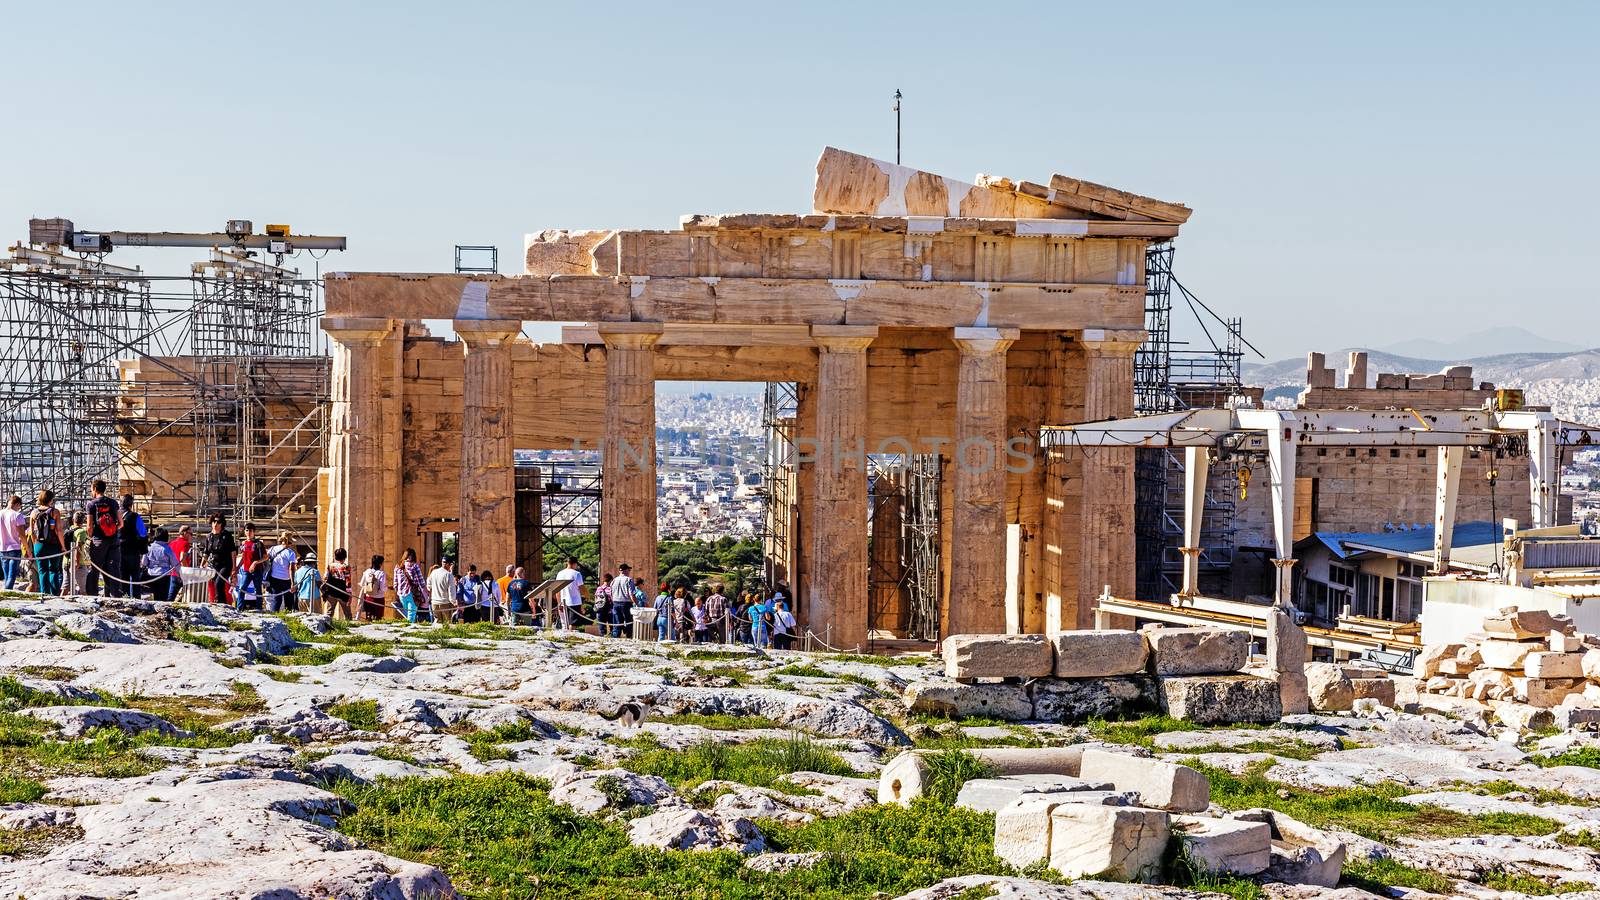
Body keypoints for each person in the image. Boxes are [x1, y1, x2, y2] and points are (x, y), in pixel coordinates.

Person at [84, 480, 122, 597]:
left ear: (95, 488)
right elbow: (121, 523)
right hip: (113, 539)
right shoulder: (113, 503)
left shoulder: (91, 504)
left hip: (98, 540)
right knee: (113, 568)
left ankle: (92, 594)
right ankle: (115, 594)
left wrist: (89, 537)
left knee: (95, 568)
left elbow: (90, 526)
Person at [25, 490, 65, 597]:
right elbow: (59, 530)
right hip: (53, 544)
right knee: (54, 570)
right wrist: (63, 546)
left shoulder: (33, 512)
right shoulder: (55, 512)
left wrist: (35, 545)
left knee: (42, 571)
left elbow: (31, 531)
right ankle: (54, 594)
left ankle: (44, 594)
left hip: (39, 545)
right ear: (51, 500)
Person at [118, 494, 149, 600]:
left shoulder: (115, 515)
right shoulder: (134, 516)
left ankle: (124, 597)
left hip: (118, 549)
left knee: (122, 576)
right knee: (135, 577)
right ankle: (136, 598)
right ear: (131, 504)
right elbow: (143, 533)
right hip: (132, 549)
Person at [266, 533, 299, 613]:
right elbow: (291, 569)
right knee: (289, 601)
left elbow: (266, 557)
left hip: (274, 578)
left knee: (276, 600)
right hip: (286, 579)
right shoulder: (291, 553)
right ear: (288, 542)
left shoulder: (273, 549)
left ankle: (275, 617)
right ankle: (288, 618)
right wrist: (292, 583)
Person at [142, 528, 177, 603]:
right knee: (163, 597)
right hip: (164, 575)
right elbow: (175, 563)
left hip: (151, 575)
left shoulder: (149, 547)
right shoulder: (167, 549)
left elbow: (144, 562)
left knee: (155, 595)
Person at [0, 495, 25, 591]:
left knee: (7, 576)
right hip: (14, 548)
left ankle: (5, 592)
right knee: (11, 576)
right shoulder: (17, 515)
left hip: (2, 548)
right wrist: (27, 549)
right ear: (18, 504)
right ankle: (6, 593)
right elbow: (22, 535)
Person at [393, 548, 424, 623]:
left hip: (406, 594)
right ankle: (410, 628)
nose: (410, 559)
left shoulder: (399, 567)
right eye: (409, 557)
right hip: (407, 593)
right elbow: (421, 582)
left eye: (411, 557)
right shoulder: (411, 566)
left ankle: (409, 627)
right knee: (410, 613)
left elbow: (395, 583)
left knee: (409, 613)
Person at [66, 512, 90, 597]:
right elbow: (78, 546)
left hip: (66, 561)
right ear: (83, 521)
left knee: (65, 589)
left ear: (73, 520)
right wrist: (77, 561)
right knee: (83, 591)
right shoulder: (81, 532)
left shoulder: (69, 529)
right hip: (78, 563)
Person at [357, 554, 387, 621]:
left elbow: (362, 584)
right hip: (379, 599)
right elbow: (382, 588)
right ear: (380, 563)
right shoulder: (382, 573)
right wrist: (387, 588)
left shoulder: (367, 571)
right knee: (378, 618)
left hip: (368, 598)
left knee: (368, 617)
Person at [608, 564, 635, 638]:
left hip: (616, 603)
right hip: (626, 603)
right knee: (629, 622)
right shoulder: (628, 580)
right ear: (626, 570)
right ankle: (629, 637)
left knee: (617, 623)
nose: (629, 572)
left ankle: (615, 638)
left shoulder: (614, 580)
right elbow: (631, 594)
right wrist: (636, 603)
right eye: (629, 570)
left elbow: (611, 593)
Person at [427, 558, 457, 624]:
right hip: (445, 603)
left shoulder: (434, 572)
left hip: (434, 603)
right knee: (447, 624)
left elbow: (428, 586)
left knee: (437, 623)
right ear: (448, 564)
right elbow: (451, 591)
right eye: (451, 565)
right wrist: (454, 602)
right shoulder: (449, 575)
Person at [169, 524, 194, 602]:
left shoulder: (172, 543)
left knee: (171, 596)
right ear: (185, 533)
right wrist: (187, 573)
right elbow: (182, 558)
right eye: (191, 534)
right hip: (181, 573)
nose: (191, 536)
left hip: (172, 572)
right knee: (186, 596)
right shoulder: (185, 544)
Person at [325, 548, 352, 620]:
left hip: (332, 590)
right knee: (347, 613)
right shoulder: (346, 567)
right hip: (342, 591)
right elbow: (348, 581)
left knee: (329, 612)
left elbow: (325, 577)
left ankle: (326, 625)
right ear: (345, 556)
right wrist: (349, 594)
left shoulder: (330, 565)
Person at [559, 557, 584, 630]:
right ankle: (571, 637)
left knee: (565, 623)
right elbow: (581, 588)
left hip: (563, 601)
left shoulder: (560, 573)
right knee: (573, 623)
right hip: (574, 602)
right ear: (575, 564)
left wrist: (559, 602)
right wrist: (587, 596)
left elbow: (557, 591)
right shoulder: (577, 574)